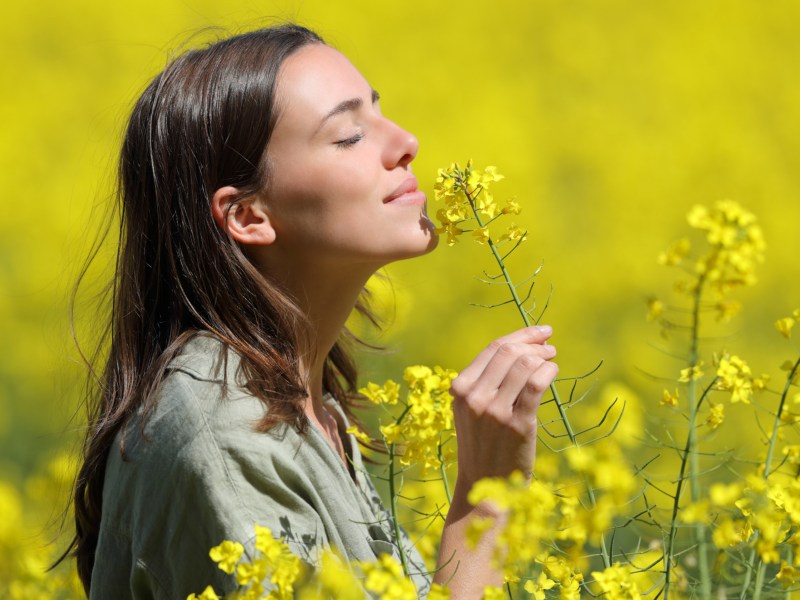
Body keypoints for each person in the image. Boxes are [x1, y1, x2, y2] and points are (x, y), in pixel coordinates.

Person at [64, 23, 559, 599]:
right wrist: (486, 501)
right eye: (349, 136)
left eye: (380, 112)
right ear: (247, 216)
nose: (405, 142)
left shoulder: (297, 401)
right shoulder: (224, 436)